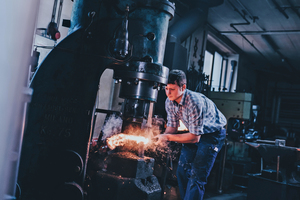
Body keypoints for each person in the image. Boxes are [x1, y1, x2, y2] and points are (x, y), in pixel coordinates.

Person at [156, 69, 227, 200]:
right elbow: (172, 128)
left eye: (172, 88)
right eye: (166, 88)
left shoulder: (194, 102)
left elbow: (194, 138)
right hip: (194, 132)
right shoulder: (169, 102)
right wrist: (159, 139)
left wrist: (167, 137)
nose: (168, 92)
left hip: (213, 135)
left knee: (197, 176)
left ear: (183, 87)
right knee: (182, 172)